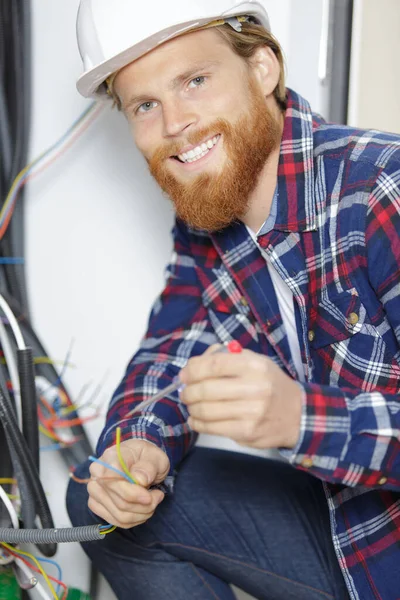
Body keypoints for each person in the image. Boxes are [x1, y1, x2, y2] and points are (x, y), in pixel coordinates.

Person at [67, 1, 400, 599]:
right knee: (103, 499)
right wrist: (135, 449)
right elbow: (171, 357)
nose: (175, 124)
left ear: (264, 67)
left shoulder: (382, 191)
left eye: (195, 81)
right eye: (146, 105)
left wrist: (302, 420)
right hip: (351, 534)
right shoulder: (210, 223)